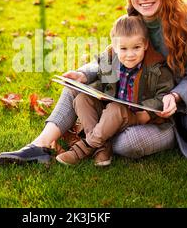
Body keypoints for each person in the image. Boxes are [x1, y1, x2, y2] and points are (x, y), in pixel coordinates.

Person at [0, 0, 187, 165]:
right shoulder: (133, 22)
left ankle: (98, 139)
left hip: (165, 114)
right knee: (76, 86)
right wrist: (83, 74)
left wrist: (175, 96)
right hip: (125, 101)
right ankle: (40, 146)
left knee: (127, 144)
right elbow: (110, 59)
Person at [55, 14, 174, 166]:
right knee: (82, 99)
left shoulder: (157, 68)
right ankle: (103, 147)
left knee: (115, 108)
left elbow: (164, 95)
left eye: (136, 47)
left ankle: (85, 147)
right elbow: (102, 82)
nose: (130, 55)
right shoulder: (110, 62)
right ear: (115, 46)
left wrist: (149, 112)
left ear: (145, 44)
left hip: (135, 116)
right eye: (123, 48)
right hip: (111, 112)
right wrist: (91, 89)